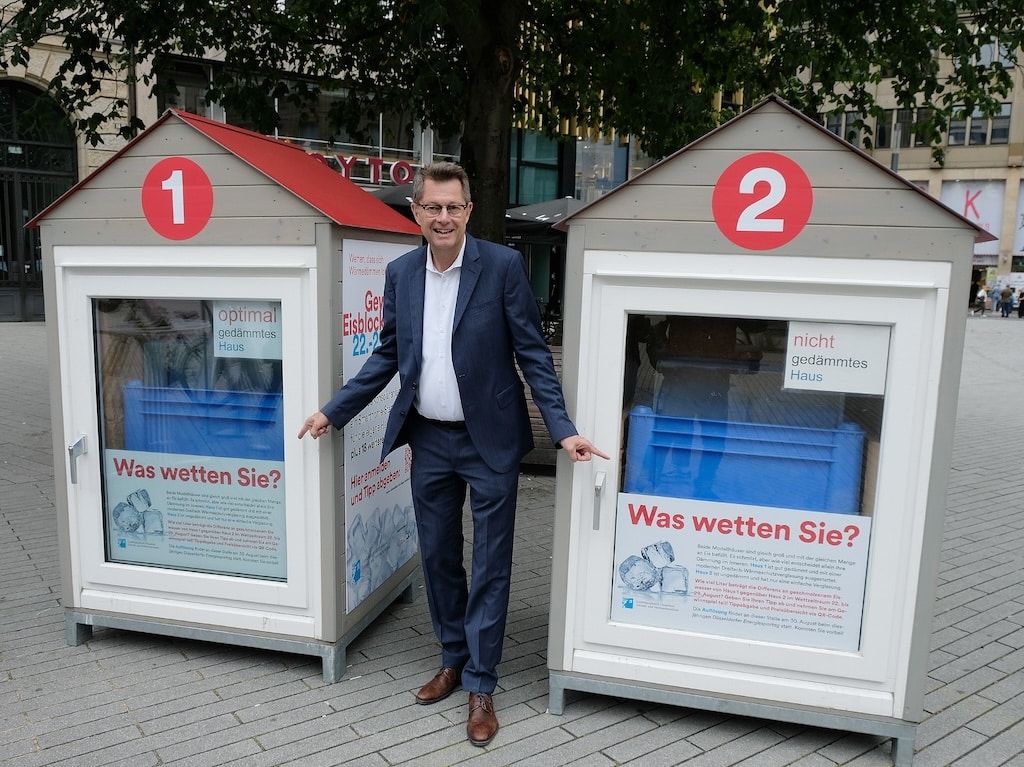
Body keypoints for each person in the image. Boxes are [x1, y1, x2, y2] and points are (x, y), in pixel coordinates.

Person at [298, 161, 607, 747]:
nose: (443, 217)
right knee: (439, 557)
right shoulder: (401, 273)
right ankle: (453, 658)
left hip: (490, 440)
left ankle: (483, 684)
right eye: (433, 207)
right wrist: (333, 410)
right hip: (430, 438)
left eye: (454, 207)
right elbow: (388, 355)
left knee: (492, 562)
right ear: (416, 212)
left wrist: (563, 429)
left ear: (468, 211)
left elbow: (534, 355)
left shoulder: (503, 266)